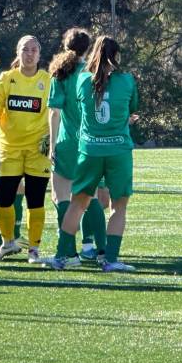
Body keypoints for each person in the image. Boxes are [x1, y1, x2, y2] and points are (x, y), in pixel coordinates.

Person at [49, 36, 139, 273]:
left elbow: (82, 109)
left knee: (77, 203)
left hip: (88, 149)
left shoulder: (81, 81)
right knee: (118, 207)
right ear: (116, 57)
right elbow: (131, 109)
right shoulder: (127, 80)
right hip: (118, 150)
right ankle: (109, 259)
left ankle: (61, 256)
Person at [0, 35, 52, 264]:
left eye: (34, 49)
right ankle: (7, 243)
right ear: (18, 52)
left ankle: (34, 249)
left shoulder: (48, 80)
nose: (30, 53)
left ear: (39, 54)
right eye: (26, 49)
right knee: (3, 198)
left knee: (35, 200)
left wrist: (51, 139)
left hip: (37, 150)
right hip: (9, 149)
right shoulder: (5, 79)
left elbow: (55, 113)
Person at [47, 28, 107, 268]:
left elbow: (54, 111)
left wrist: (52, 144)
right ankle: (104, 252)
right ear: (88, 48)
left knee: (60, 196)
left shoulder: (61, 73)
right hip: (90, 143)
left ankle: (69, 254)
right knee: (89, 197)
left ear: (65, 45)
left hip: (68, 141)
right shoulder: (93, 72)